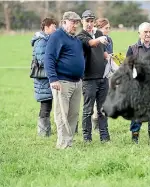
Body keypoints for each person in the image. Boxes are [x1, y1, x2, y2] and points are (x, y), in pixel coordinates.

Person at [44, 11, 85, 149]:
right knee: (62, 114)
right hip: (62, 82)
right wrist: (53, 79)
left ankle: (69, 142)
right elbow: (49, 58)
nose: (75, 25)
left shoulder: (75, 39)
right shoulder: (57, 36)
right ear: (64, 22)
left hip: (77, 82)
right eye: (73, 22)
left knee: (73, 114)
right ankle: (63, 144)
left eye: (77, 22)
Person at [126, 22, 150, 144]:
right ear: (139, 33)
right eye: (145, 32)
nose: (148, 34)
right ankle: (135, 139)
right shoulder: (133, 49)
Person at [76, 10, 110, 143]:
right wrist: (99, 39)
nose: (89, 24)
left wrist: (107, 56)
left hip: (103, 77)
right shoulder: (81, 36)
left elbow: (102, 51)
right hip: (89, 79)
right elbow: (91, 44)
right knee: (88, 110)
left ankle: (105, 137)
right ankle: (87, 138)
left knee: (103, 110)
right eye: (87, 21)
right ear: (82, 22)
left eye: (91, 21)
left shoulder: (99, 33)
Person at [31, 18, 57, 137]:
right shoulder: (41, 41)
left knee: (50, 106)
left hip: (49, 78)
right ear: (46, 27)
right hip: (43, 80)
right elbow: (43, 61)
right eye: (53, 27)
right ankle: (43, 133)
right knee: (46, 106)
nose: (55, 29)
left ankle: (47, 132)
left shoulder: (48, 40)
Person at [91, 18, 114, 130]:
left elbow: (110, 55)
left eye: (109, 28)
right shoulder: (94, 39)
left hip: (108, 73)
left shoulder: (109, 40)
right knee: (95, 103)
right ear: (99, 29)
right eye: (106, 28)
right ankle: (94, 122)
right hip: (95, 75)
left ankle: (102, 127)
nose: (108, 30)